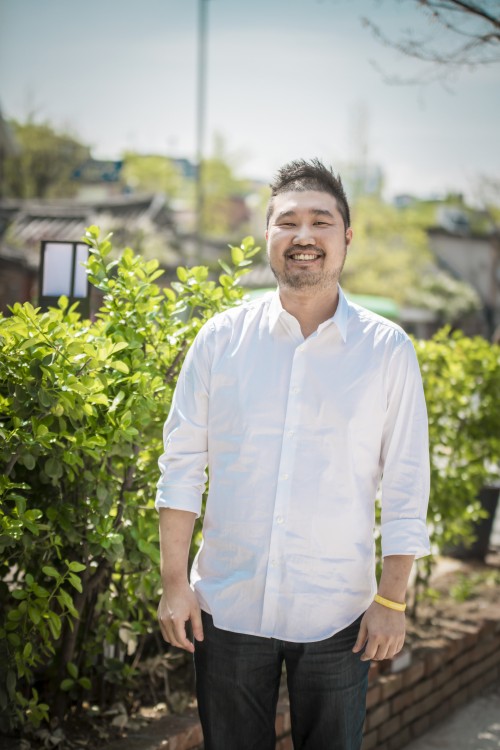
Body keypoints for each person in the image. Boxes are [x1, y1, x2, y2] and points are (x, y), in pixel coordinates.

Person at [156, 158, 430, 750]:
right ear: (267, 236)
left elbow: (407, 484)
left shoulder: (387, 351)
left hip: (339, 615)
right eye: (287, 222)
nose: (303, 235)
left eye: (320, 221)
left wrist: (392, 598)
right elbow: (181, 466)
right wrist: (174, 583)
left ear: (346, 237)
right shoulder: (221, 340)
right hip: (227, 608)